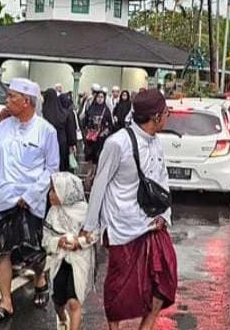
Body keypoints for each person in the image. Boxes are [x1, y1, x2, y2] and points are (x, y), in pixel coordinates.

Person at [81, 89, 177, 330]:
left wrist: (165, 216)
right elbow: (99, 185)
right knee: (118, 290)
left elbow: (162, 180)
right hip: (122, 227)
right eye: (166, 112)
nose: (168, 117)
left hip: (152, 225)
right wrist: (90, 228)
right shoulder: (117, 144)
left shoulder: (156, 143)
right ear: (156, 116)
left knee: (163, 281)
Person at [0, 78, 60, 324]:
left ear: (27, 102)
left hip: (29, 201)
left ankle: (40, 280)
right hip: (2, 199)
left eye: (12, 96)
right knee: (1, 251)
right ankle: (5, 301)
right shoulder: (3, 127)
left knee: (33, 249)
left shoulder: (46, 131)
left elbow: (52, 168)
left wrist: (32, 195)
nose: (7, 100)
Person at [43, 172, 99, 330]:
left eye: (54, 190)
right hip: (59, 259)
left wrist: (78, 242)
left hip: (79, 260)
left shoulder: (85, 211)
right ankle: (62, 318)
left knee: (74, 300)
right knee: (57, 299)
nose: (50, 195)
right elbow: (46, 239)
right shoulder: (53, 213)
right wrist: (57, 242)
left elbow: (94, 233)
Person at [82, 89, 113, 186]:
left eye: (102, 97)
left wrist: (104, 133)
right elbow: (85, 120)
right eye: (98, 97)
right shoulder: (91, 108)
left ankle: (95, 174)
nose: (100, 99)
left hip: (100, 138)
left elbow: (110, 125)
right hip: (90, 137)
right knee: (89, 155)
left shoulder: (106, 110)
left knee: (97, 156)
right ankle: (89, 172)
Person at [43, 89, 78, 172]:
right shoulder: (64, 113)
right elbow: (70, 131)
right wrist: (72, 144)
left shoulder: (43, 113)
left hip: (46, 143)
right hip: (61, 143)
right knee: (61, 167)